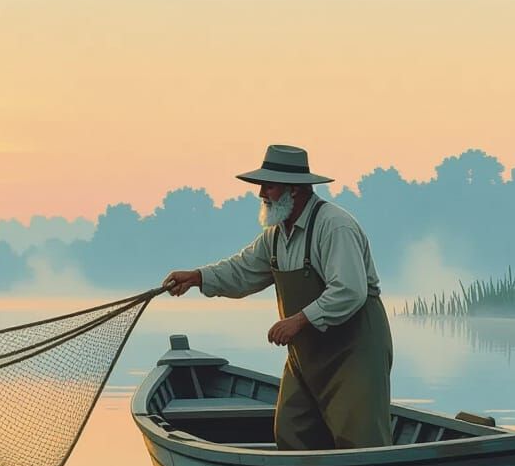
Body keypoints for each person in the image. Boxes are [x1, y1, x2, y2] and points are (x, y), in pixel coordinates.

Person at [163, 144, 393, 450]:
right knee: (292, 430)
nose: (261, 193)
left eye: (268, 186)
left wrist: (297, 321)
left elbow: (350, 290)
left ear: (294, 190)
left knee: (360, 441)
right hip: (306, 357)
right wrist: (197, 277)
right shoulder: (275, 235)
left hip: (354, 355)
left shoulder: (334, 226)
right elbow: (242, 271)